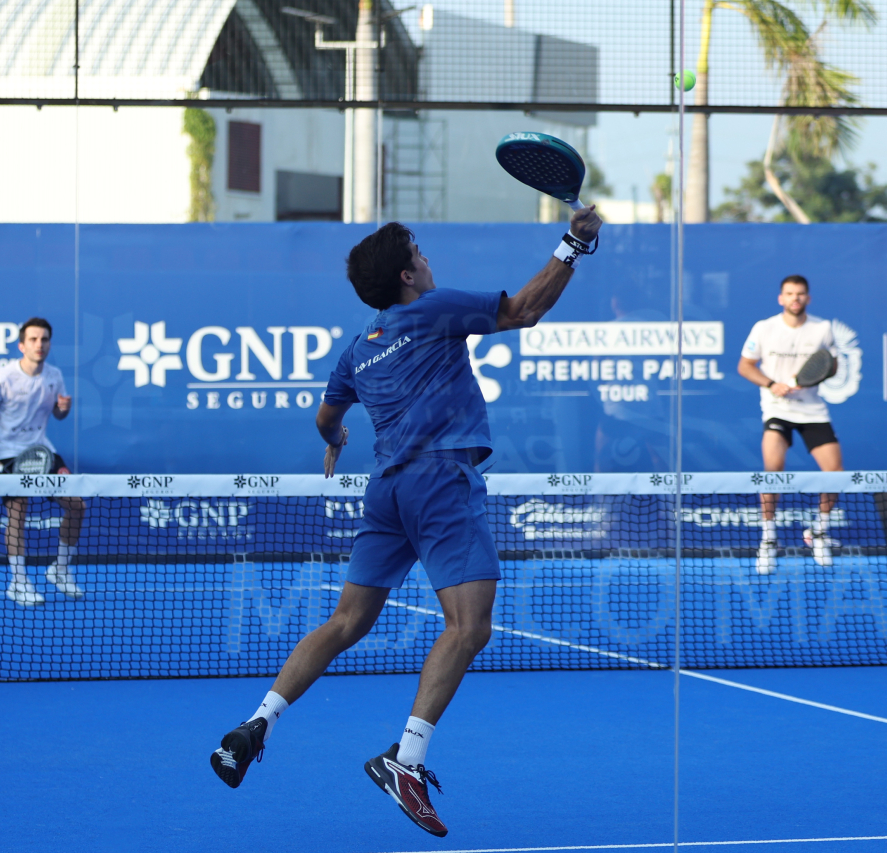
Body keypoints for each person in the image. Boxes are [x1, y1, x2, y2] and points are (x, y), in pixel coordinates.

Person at [209, 207, 603, 837]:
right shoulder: (433, 309)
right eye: (419, 252)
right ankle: (407, 760)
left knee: (345, 622)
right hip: (441, 482)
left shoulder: (357, 350)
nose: (427, 259)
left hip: (385, 491)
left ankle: (258, 723)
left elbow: (324, 420)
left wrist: (337, 437)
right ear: (407, 274)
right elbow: (525, 308)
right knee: (469, 627)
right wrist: (574, 243)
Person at [0, 317, 85, 607]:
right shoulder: (1, 377)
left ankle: (59, 570)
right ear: (22, 345)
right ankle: (19, 582)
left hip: (41, 452)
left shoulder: (54, 376)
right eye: (33, 339)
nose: (40, 344)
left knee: (77, 504)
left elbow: (57, 416)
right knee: (18, 509)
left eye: (44, 339)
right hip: (7, 453)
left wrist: (63, 410)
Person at [737, 275, 843, 575]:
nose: (795, 298)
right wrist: (772, 384)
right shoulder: (764, 328)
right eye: (789, 293)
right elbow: (744, 365)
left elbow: (831, 366)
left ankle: (818, 533)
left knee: (835, 474)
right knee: (773, 473)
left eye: (800, 294)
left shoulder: (822, 329)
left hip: (812, 411)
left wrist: (810, 378)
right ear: (781, 298)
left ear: (808, 299)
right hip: (776, 409)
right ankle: (769, 541)